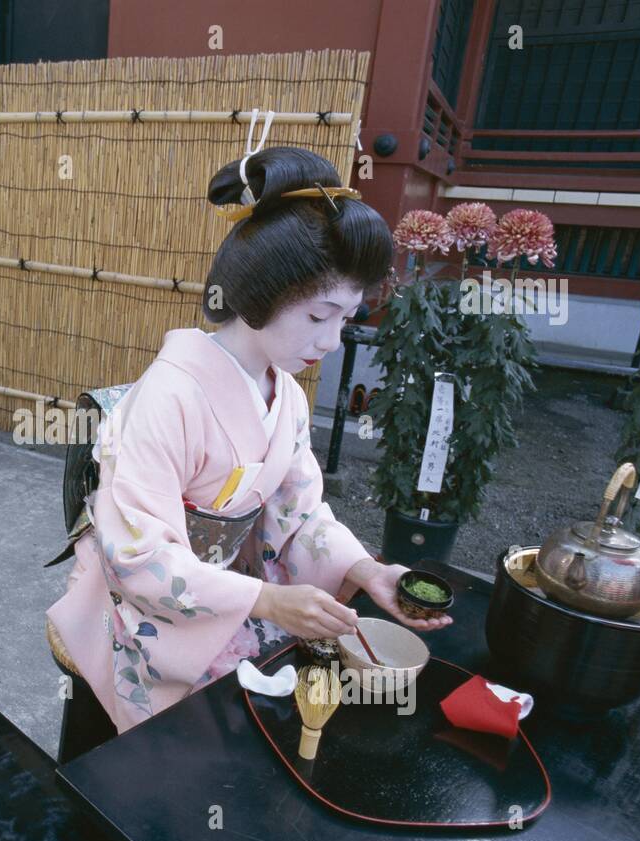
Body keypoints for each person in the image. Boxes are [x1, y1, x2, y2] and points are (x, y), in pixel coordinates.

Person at [46, 145, 454, 736]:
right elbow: (140, 558)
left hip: (223, 587)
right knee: (224, 720)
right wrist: (263, 602)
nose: (333, 341)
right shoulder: (168, 397)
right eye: (319, 317)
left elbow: (299, 515)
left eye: (346, 319)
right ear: (261, 292)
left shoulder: (285, 395)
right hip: (141, 598)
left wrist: (367, 571)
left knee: (291, 685)